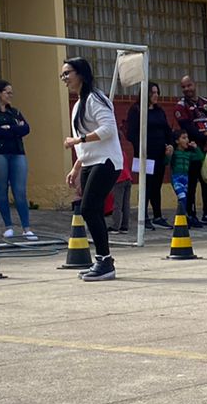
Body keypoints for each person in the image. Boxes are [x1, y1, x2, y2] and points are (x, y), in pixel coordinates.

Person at [61, 57, 123, 281]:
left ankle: (105, 261)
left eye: (68, 73)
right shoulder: (79, 104)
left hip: (106, 161)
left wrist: (77, 141)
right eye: (63, 75)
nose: (65, 79)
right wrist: (76, 167)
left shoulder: (96, 98)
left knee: (88, 209)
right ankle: (103, 261)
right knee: (92, 211)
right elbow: (88, 143)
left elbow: (108, 129)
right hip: (89, 162)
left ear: (81, 74)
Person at [0, 78, 36, 240]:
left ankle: (27, 228)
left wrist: (9, 128)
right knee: (2, 189)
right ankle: (8, 226)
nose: (11, 95)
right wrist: (14, 129)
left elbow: (26, 128)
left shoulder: (15, 112)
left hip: (17, 153)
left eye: (12, 92)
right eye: (8, 92)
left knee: (20, 191)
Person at [172, 75, 207, 227]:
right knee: (191, 183)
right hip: (193, 150)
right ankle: (191, 214)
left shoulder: (206, 102)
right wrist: (204, 139)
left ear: (195, 84)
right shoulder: (180, 106)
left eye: (189, 85)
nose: (187, 89)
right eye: (183, 87)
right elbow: (187, 127)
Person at [125, 82, 173, 230]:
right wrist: (142, 148)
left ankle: (157, 215)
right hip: (145, 154)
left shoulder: (159, 111)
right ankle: (143, 216)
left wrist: (170, 144)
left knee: (156, 185)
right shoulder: (136, 110)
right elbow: (131, 133)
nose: (155, 95)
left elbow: (167, 129)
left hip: (159, 153)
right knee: (146, 185)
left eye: (157, 92)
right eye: (152, 92)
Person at [169, 130, 197, 210]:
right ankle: (181, 217)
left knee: (185, 199)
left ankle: (183, 216)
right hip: (176, 178)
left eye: (187, 138)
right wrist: (168, 155)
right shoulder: (175, 153)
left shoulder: (189, 154)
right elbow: (166, 161)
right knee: (182, 197)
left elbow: (199, 157)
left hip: (186, 178)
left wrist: (196, 148)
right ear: (177, 141)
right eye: (184, 138)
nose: (187, 140)